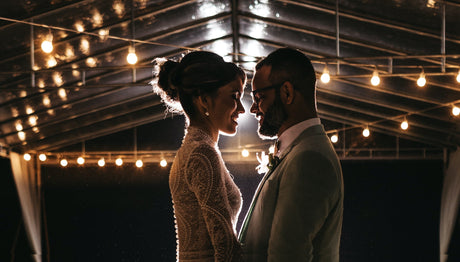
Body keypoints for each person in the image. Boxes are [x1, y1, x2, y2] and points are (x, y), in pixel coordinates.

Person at [238, 48, 344, 262]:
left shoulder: (310, 159)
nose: (253, 109)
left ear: (287, 92)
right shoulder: (297, 150)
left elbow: (287, 254)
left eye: (259, 97)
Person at [153, 51, 246, 261]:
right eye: (234, 96)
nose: (241, 109)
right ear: (204, 100)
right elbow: (225, 248)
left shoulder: (193, 149)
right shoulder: (201, 153)